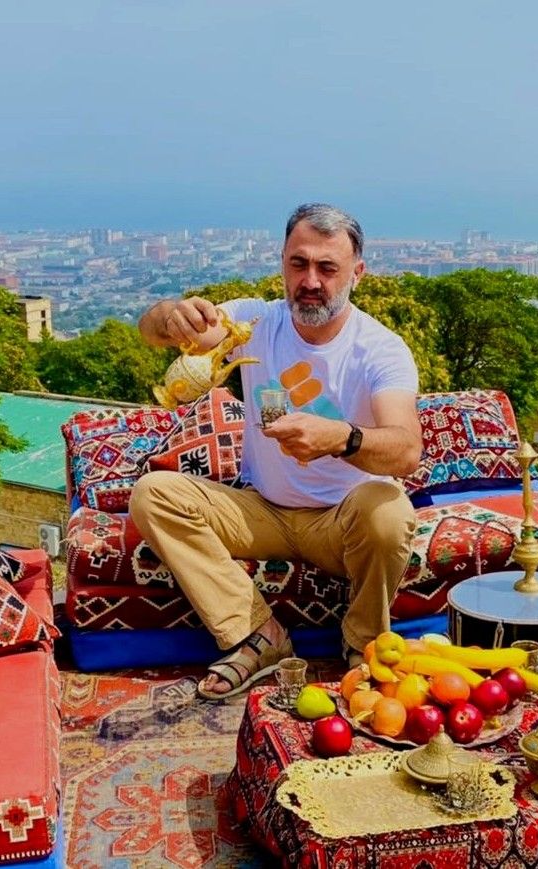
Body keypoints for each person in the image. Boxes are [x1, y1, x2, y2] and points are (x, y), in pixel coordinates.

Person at [131, 203, 422, 700]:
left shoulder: (380, 349)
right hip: (262, 510)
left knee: (390, 511)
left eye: (327, 268)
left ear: (357, 273)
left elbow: (406, 450)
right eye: (298, 264)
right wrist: (170, 315)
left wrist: (342, 438)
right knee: (153, 494)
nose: (310, 281)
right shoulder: (255, 321)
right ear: (282, 264)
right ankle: (258, 636)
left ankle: (364, 644)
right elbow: (153, 331)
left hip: (340, 523)